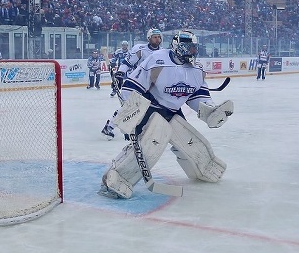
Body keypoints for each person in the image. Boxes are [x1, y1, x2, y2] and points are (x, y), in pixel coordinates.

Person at [100, 30, 234, 199]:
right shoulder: (157, 60)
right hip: (151, 108)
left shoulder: (196, 69)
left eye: (194, 48)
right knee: (149, 147)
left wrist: (210, 109)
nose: (192, 51)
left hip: (173, 111)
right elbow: (132, 88)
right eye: (188, 48)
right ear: (177, 47)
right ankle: (117, 177)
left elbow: (197, 95)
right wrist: (132, 114)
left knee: (188, 142)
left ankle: (203, 167)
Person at [102, 29, 163, 139]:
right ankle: (110, 127)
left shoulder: (163, 52)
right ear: (149, 38)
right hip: (136, 83)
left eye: (159, 37)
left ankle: (133, 129)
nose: (157, 39)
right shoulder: (140, 49)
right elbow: (127, 62)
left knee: (147, 110)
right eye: (155, 37)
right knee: (129, 108)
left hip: (151, 87)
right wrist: (120, 74)